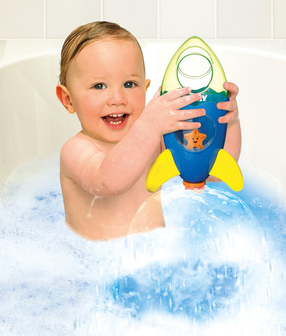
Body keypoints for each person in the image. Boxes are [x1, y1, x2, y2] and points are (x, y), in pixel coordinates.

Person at [56, 21, 241, 241]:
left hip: (155, 256)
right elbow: (107, 181)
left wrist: (227, 122)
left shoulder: (154, 141)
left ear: (145, 89)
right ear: (68, 100)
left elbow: (212, 172)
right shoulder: (76, 151)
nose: (117, 99)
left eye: (129, 84)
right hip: (96, 265)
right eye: (99, 86)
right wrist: (148, 126)